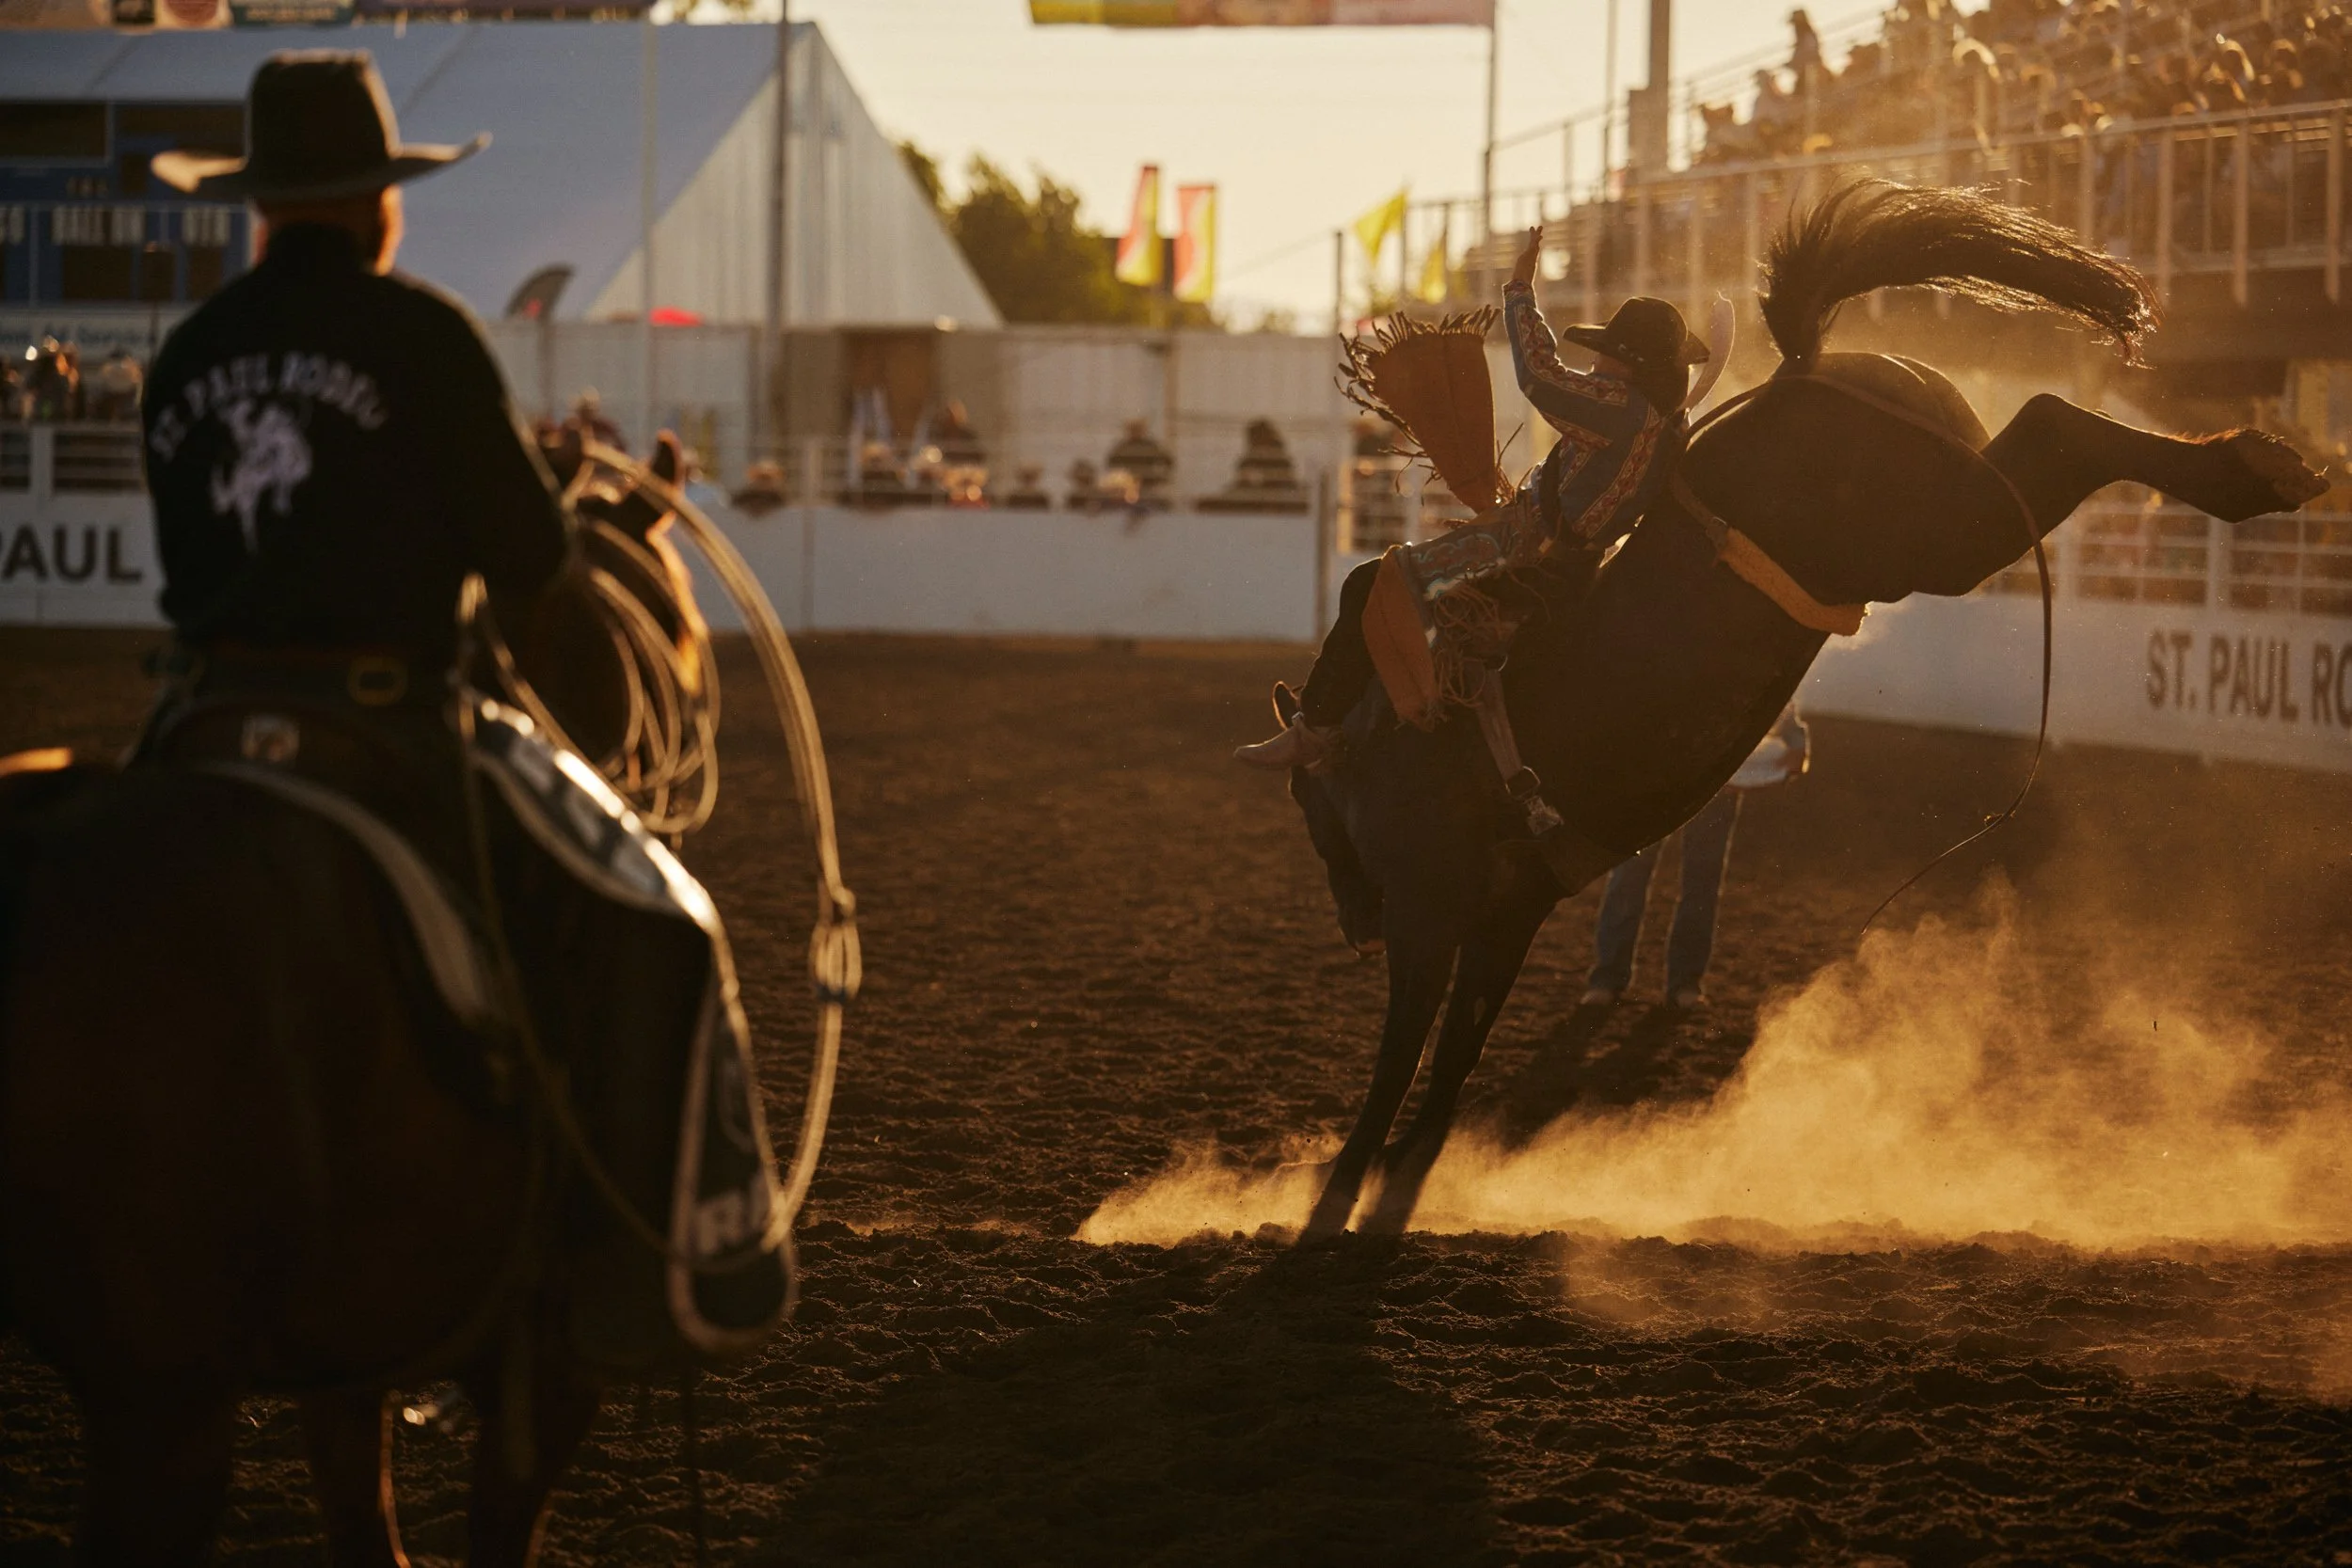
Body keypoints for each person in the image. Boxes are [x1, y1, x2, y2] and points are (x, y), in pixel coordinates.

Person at [138, 50, 577, 839]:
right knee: (600, 926)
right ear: (382, 203)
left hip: (203, 713)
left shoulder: (188, 351)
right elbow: (533, 553)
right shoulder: (426, 335)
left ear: (262, 204)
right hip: (387, 724)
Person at [1236, 228, 1705, 770]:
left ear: (1630, 365)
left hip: (1523, 551)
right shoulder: (1666, 423)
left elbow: (1540, 377)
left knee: (1371, 582)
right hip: (1567, 563)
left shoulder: (1620, 406)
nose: (1596, 365)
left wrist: (1519, 292)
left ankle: (1316, 728)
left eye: (1605, 356)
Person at [1580, 703, 1810, 1012]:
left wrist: (1796, 744)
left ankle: (1684, 983)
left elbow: (1779, 706)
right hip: (1653, 776)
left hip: (1714, 782)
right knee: (1629, 875)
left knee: (1700, 879)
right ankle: (1608, 979)